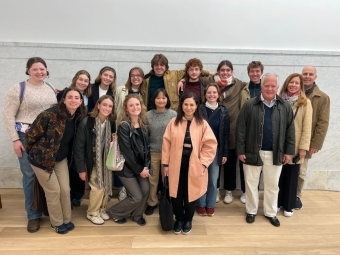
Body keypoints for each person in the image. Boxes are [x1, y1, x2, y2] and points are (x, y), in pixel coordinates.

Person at [2, 57, 57, 233]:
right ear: (28, 70)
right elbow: (8, 115)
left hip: (46, 139)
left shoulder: (49, 88)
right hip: (26, 138)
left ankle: (45, 207)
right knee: (29, 175)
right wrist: (15, 140)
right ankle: (33, 214)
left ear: (47, 71)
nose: (39, 72)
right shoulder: (19, 89)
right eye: (35, 69)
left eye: (42, 69)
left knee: (46, 175)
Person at [236, 73, 295, 227]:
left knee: (272, 185)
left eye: (273, 86)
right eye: (266, 85)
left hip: (276, 153)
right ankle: (251, 211)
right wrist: (240, 150)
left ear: (277, 87)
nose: (269, 88)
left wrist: (288, 151)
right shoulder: (249, 105)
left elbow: (290, 131)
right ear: (262, 86)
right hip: (252, 152)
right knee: (251, 184)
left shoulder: (285, 106)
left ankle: (270, 212)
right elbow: (241, 129)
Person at [25, 88, 85, 234]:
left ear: (81, 101)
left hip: (60, 159)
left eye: (76, 97)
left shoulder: (77, 117)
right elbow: (31, 135)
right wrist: (35, 152)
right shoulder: (50, 114)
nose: (73, 100)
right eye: (69, 97)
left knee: (65, 190)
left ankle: (66, 219)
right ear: (63, 99)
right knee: (54, 191)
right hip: (42, 160)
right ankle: (56, 223)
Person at [162, 92, 217, 234]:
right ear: (181, 105)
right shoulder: (173, 122)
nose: (188, 107)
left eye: (192, 104)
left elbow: (210, 145)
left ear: (196, 106)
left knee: (190, 193)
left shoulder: (202, 124)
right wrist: (165, 164)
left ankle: (188, 219)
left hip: (194, 164)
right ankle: (179, 219)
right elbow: (166, 144)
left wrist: (203, 163)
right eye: (186, 104)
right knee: (176, 193)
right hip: (175, 163)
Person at [107, 94, 151, 226]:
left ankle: (137, 215)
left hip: (141, 167)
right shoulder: (124, 126)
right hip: (126, 168)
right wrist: (139, 169)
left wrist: (146, 166)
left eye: (137, 104)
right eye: (131, 105)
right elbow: (127, 152)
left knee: (146, 190)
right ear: (126, 108)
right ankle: (114, 212)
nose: (135, 107)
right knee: (136, 196)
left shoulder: (144, 124)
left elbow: (147, 148)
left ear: (141, 106)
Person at [74, 95, 116, 225]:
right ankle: (92, 212)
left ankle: (101, 209)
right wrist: (81, 169)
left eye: (110, 106)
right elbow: (79, 147)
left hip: (106, 162)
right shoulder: (87, 122)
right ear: (98, 105)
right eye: (104, 105)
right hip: (93, 162)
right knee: (97, 187)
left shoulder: (111, 123)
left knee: (105, 187)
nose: (107, 108)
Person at [213, 60, 248, 205]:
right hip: (214, 130)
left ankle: (229, 191)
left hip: (232, 131)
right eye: (222, 70)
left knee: (230, 165)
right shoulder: (213, 83)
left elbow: (254, 83)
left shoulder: (239, 84)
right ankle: (214, 189)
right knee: (214, 163)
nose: (225, 73)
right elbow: (197, 75)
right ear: (218, 72)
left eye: (228, 70)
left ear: (232, 72)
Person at [278, 73, 312, 216]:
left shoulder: (305, 102)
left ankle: (288, 206)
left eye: (297, 83)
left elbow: (307, 127)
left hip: (296, 145)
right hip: (279, 144)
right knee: (279, 176)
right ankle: (278, 202)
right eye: (291, 82)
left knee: (292, 177)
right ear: (287, 83)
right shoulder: (279, 100)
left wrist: (303, 148)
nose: (293, 85)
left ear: (301, 86)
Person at [296, 66, 330, 210]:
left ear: (315, 77)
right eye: (305, 74)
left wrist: (316, 143)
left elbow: (323, 122)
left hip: (307, 141)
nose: (307, 76)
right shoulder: (293, 93)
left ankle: (297, 196)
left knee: (301, 171)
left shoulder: (322, 97)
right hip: (291, 139)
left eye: (311, 74)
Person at [56, 70, 92, 207]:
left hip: (80, 136)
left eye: (86, 80)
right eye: (80, 79)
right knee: (67, 168)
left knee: (78, 166)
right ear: (75, 79)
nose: (82, 82)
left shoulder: (89, 96)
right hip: (65, 137)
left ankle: (77, 195)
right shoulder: (64, 93)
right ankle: (67, 198)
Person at [196, 84, 230, 216]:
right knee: (200, 177)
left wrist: (225, 153)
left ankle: (210, 204)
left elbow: (226, 134)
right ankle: (200, 203)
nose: (211, 95)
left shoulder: (223, 111)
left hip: (216, 151)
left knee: (213, 179)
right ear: (205, 95)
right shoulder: (199, 109)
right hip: (201, 150)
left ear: (218, 94)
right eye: (209, 93)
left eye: (214, 92)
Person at [114, 67, 146, 201]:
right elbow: (116, 107)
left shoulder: (145, 91)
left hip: (138, 126)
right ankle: (123, 188)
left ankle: (134, 191)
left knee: (135, 156)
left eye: (139, 75)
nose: (136, 78)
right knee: (124, 158)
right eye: (133, 75)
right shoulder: (120, 89)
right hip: (124, 127)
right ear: (129, 77)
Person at [144, 88, 177, 215]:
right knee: (152, 179)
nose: (161, 100)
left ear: (167, 99)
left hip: (169, 153)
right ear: (154, 100)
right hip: (153, 152)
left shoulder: (173, 115)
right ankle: (152, 202)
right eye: (158, 98)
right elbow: (145, 136)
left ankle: (167, 201)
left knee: (167, 179)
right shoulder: (147, 115)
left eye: (163, 98)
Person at [141, 54, 212, 111]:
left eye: (162, 65)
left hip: (171, 113)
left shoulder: (174, 75)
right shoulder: (146, 80)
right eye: (156, 65)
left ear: (166, 67)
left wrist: (212, 73)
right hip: (151, 113)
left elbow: (192, 70)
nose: (159, 67)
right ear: (153, 66)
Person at [238, 61, 264, 204]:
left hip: (262, 132)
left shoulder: (267, 88)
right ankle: (245, 191)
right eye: (252, 71)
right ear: (248, 73)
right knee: (245, 163)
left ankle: (256, 190)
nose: (255, 74)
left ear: (261, 72)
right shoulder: (243, 89)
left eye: (257, 71)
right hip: (247, 132)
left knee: (260, 163)